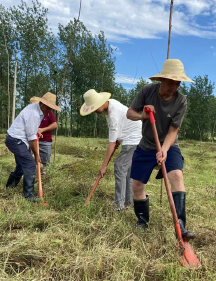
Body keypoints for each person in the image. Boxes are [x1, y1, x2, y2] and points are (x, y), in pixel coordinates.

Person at [126, 59, 196, 240]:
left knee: (177, 175)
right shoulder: (147, 91)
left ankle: (180, 226)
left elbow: (174, 130)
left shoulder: (181, 101)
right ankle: (142, 221)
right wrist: (143, 114)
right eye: (171, 82)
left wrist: (164, 149)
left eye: (178, 83)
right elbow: (130, 113)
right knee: (137, 185)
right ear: (162, 80)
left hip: (169, 145)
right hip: (146, 144)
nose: (174, 87)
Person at [80, 89, 142, 211]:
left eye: (94, 108)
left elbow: (111, 143)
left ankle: (119, 204)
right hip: (133, 137)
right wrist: (119, 138)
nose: (94, 111)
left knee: (119, 167)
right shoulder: (111, 104)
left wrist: (103, 166)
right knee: (128, 172)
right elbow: (121, 128)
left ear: (101, 103)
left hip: (133, 139)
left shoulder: (113, 114)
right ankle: (129, 203)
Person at [5, 92, 61, 201]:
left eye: (51, 109)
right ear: (43, 104)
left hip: (16, 139)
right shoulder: (34, 114)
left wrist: (35, 132)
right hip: (16, 140)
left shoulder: (35, 108)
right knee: (30, 164)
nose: (50, 111)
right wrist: (36, 155)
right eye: (49, 108)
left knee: (22, 165)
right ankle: (29, 196)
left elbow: (30, 129)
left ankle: (9, 187)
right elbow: (31, 139)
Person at [30, 97, 57, 175]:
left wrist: (42, 130)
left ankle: (45, 173)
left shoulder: (49, 112)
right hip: (33, 139)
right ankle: (31, 172)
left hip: (45, 140)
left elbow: (54, 125)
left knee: (46, 159)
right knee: (28, 156)